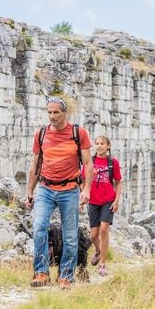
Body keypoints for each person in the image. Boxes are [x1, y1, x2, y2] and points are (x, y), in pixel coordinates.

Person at [25, 96, 93, 288]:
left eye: (56, 112)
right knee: (39, 229)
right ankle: (41, 273)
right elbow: (35, 164)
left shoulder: (78, 133)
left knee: (70, 235)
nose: (52, 116)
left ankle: (66, 276)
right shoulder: (41, 134)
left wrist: (86, 190)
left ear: (65, 113)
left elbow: (88, 164)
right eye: (49, 112)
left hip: (69, 190)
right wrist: (29, 191)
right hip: (45, 189)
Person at [87, 136, 123, 277]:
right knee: (94, 235)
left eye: (102, 143)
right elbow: (83, 180)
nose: (99, 146)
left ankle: (102, 264)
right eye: (97, 143)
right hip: (93, 201)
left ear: (108, 146)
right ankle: (97, 250)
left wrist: (116, 200)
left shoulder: (112, 162)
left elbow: (119, 182)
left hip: (108, 200)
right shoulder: (90, 161)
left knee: (103, 230)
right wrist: (83, 194)